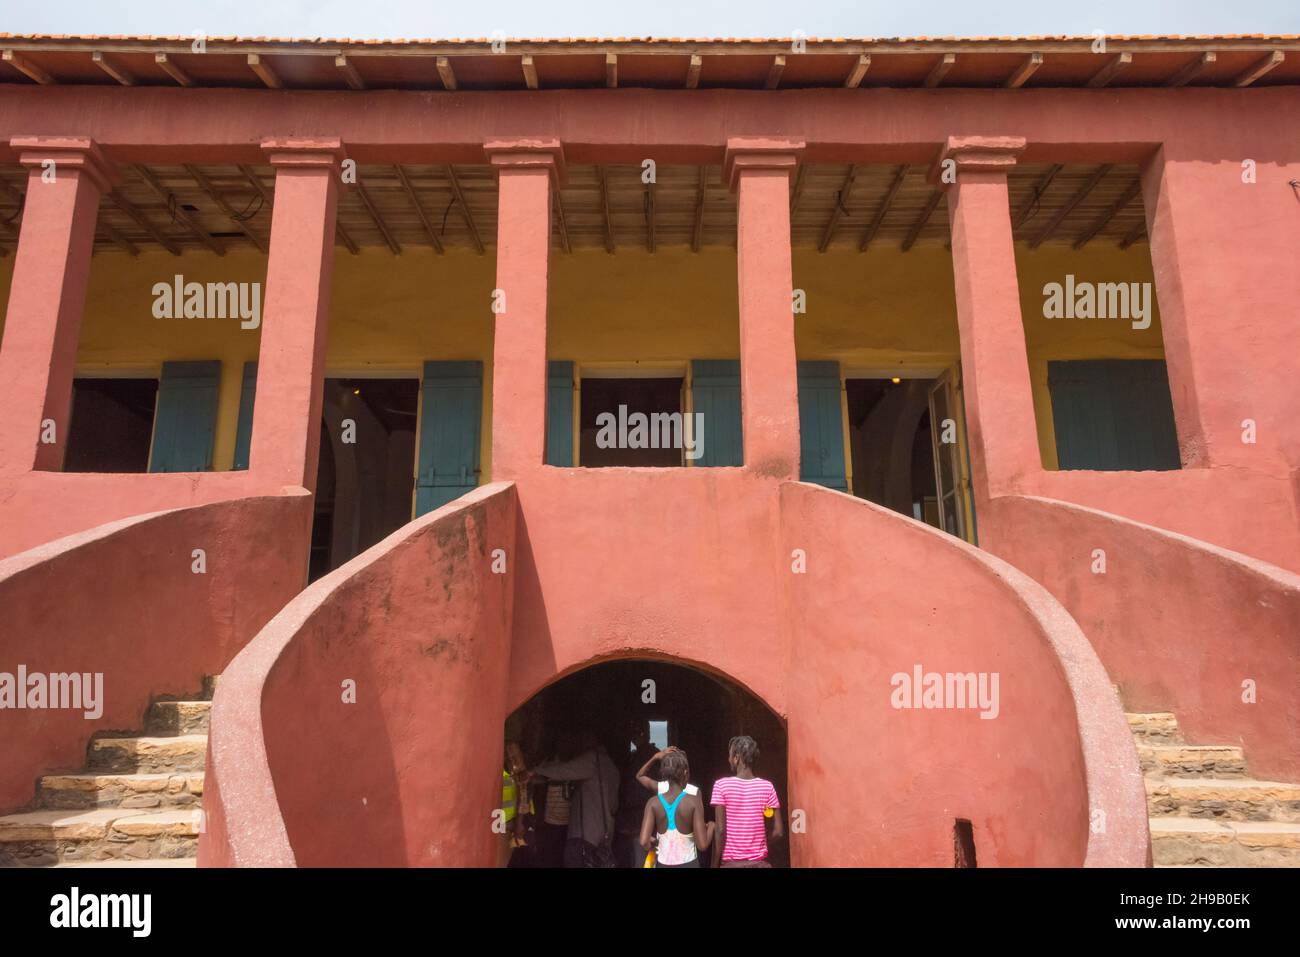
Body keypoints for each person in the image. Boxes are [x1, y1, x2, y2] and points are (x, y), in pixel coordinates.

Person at [528, 731, 620, 867]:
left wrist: (536, 771)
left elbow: (564, 771)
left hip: (585, 836)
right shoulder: (612, 767)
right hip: (604, 836)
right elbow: (614, 806)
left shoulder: (592, 759)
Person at [710, 735, 783, 868]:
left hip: (731, 864)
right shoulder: (767, 787)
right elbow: (778, 831)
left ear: (736, 758)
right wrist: (761, 844)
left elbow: (720, 830)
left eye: (730, 756)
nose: (729, 759)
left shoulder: (721, 785)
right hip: (760, 863)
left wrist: (715, 864)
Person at [640, 748, 713, 868]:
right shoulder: (693, 801)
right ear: (685, 773)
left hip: (663, 864)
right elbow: (702, 845)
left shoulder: (653, 803)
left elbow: (643, 841)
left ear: (664, 774)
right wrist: (711, 827)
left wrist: (652, 844)